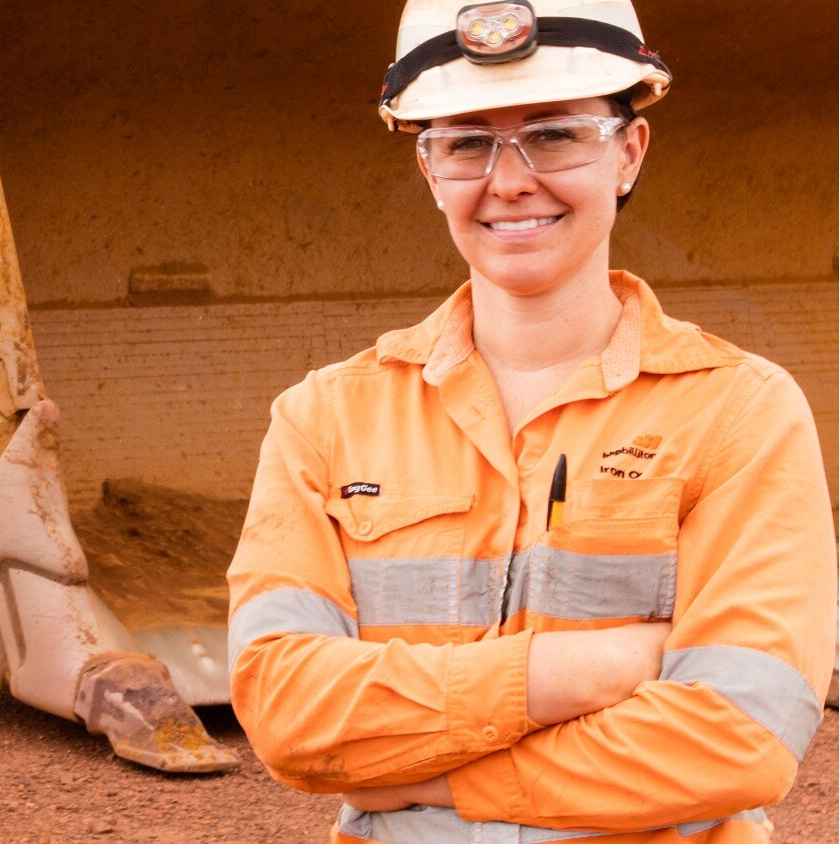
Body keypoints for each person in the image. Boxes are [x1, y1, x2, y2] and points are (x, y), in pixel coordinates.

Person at [225, 1, 837, 842]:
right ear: (428, 170)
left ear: (628, 152)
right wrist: (564, 674)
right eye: (467, 141)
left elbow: (741, 737)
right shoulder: (323, 418)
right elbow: (288, 713)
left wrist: (432, 778)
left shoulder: (738, 412)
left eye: (554, 134)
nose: (509, 180)